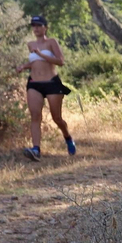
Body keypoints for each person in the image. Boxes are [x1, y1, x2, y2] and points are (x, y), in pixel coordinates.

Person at [16, 15, 76, 161]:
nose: (36, 28)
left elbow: (60, 61)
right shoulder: (30, 44)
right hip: (34, 83)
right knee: (35, 116)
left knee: (57, 118)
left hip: (51, 83)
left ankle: (67, 137)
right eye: (33, 26)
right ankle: (36, 149)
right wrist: (24, 66)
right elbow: (35, 62)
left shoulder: (51, 42)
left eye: (39, 25)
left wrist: (41, 53)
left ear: (45, 27)